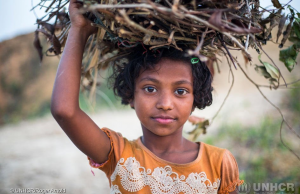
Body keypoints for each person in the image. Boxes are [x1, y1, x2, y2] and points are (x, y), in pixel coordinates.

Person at [50, 0, 244, 193]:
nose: (165, 104)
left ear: (196, 98)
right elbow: (64, 111)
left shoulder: (219, 163)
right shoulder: (118, 155)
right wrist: (79, 29)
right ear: (130, 94)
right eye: (150, 89)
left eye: (181, 91)